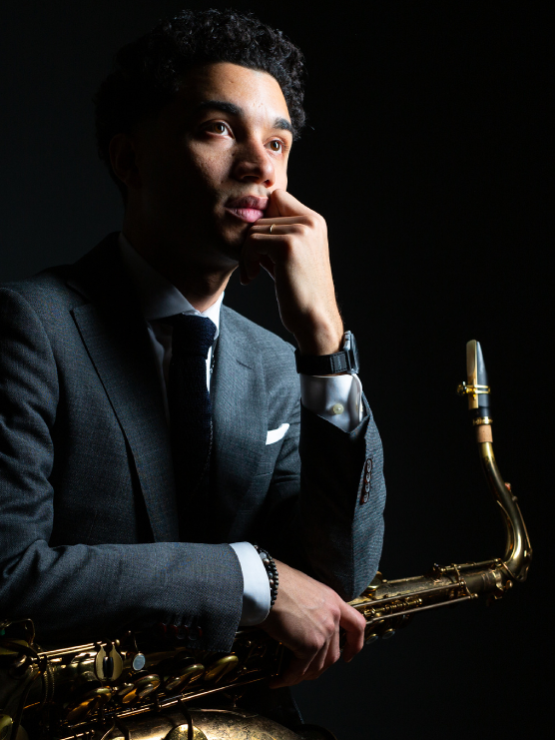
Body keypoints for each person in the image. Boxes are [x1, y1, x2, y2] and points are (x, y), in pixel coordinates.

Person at [0, 9, 385, 694]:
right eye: (218, 129)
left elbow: (335, 583)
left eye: (277, 143)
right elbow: (8, 574)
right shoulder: (27, 326)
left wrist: (324, 343)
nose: (257, 167)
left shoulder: (276, 363)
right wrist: (249, 578)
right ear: (128, 159)